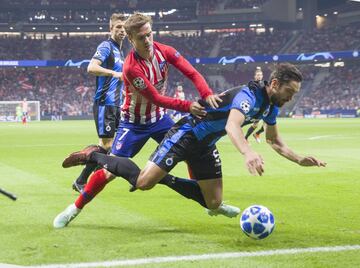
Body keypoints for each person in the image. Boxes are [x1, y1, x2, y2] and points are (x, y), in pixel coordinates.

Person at [54, 63, 326, 228]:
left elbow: (274, 140)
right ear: (275, 83)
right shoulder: (248, 95)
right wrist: (247, 152)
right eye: (289, 92)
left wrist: (299, 158)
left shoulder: (271, 106)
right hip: (186, 134)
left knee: (214, 202)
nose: (290, 98)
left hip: (205, 145)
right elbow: (233, 126)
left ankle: (164, 176)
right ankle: (95, 155)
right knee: (143, 182)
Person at [62, 12, 220, 207]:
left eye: (149, 34)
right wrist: (188, 106)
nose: (147, 40)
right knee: (110, 171)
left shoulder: (165, 51)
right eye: (141, 37)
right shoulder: (130, 66)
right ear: (131, 39)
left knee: (189, 152)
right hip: (133, 123)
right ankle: (75, 208)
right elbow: (156, 98)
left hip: (159, 120)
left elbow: (192, 72)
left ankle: (203, 195)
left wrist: (207, 93)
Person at [72, 13, 127, 193]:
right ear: (110, 29)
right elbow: (91, 67)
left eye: (124, 27)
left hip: (116, 105)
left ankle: (85, 178)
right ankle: (83, 178)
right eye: (118, 27)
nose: (121, 30)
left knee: (117, 144)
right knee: (108, 146)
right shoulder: (106, 46)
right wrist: (114, 74)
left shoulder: (121, 52)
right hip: (105, 103)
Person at [245, 67, 265, 143]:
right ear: (255, 76)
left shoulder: (263, 84)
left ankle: (257, 133)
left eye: (261, 75)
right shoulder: (252, 83)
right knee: (255, 123)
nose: (259, 76)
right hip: (255, 107)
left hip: (263, 106)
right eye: (258, 75)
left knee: (267, 123)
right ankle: (246, 138)